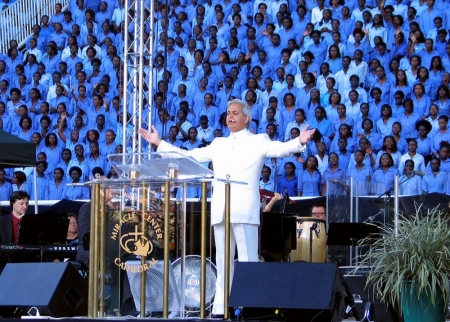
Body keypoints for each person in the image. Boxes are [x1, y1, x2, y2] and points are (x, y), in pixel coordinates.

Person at [139, 99, 315, 317]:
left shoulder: (258, 140)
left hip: (244, 210)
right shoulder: (219, 143)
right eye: (228, 112)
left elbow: (280, 149)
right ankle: (221, 308)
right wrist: (159, 143)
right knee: (222, 261)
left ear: (246, 118)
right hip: (222, 208)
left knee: (248, 260)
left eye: (235, 113)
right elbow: (189, 156)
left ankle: (252, 306)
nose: (230, 116)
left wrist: (300, 140)